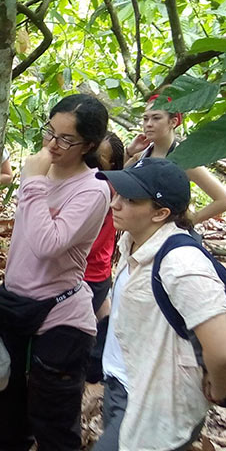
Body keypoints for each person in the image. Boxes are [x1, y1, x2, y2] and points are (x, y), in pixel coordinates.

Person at [70, 157, 226, 451]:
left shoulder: (182, 264)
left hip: (153, 404)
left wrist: (216, 390)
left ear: (161, 213)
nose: (116, 204)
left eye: (129, 199)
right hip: (127, 389)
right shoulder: (137, 244)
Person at [0, 94, 111, 451]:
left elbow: (48, 244)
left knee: (53, 405)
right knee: (10, 394)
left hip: (61, 313)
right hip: (16, 304)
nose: (53, 145)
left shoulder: (93, 192)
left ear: (90, 145)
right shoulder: (40, 175)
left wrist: (33, 182)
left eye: (66, 140)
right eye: (50, 133)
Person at [124, 95, 226, 225]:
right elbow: (120, 181)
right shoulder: (142, 154)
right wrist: (129, 151)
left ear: (173, 122)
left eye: (156, 118)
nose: (148, 124)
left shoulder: (184, 159)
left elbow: (225, 200)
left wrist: (187, 223)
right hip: (137, 228)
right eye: (145, 119)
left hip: (165, 233)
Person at [85, 132, 127, 318]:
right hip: (96, 274)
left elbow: (90, 245)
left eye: (100, 156)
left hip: (88, 275)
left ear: (111, 164)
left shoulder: (104, 189)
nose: (93, 158)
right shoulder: (102, 185)